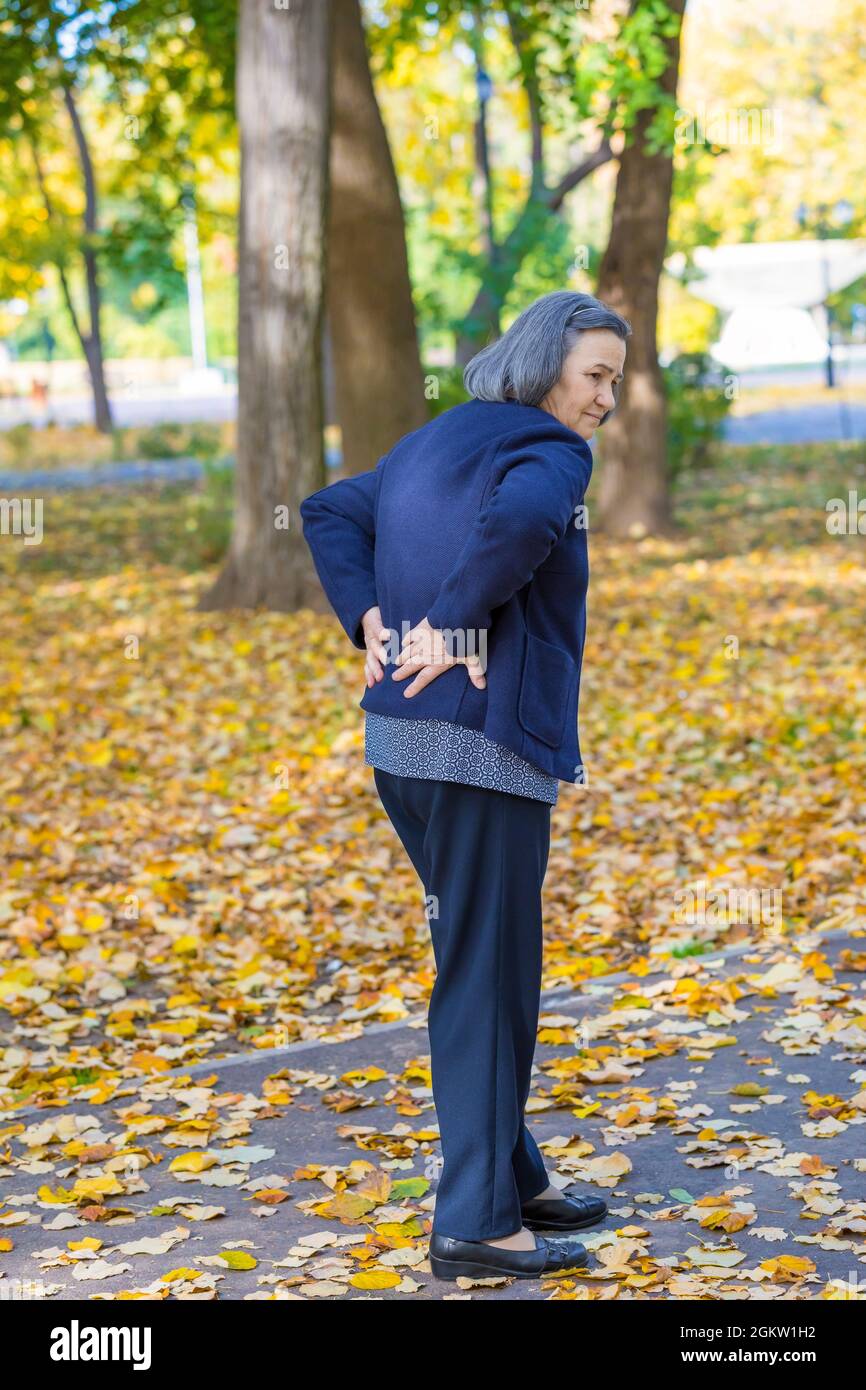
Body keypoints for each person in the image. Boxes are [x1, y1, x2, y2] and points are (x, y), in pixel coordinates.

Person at [300, 290, 630, 1281]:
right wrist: (447, 619)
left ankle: (511, 1175)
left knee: (473, 956)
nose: (604, 399)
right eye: (593, 375)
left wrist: (366, 614)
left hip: (400, 749)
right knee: (488, 975)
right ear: (543, 368)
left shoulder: (435, 440)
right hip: (482, 751)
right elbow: (526, 519)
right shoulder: (551, 451)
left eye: (613, 378)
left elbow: (327, 511)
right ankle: (474, 1221)